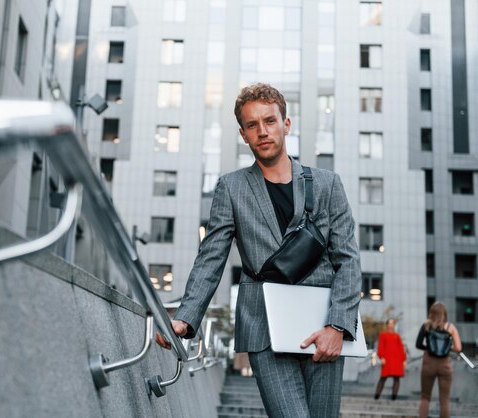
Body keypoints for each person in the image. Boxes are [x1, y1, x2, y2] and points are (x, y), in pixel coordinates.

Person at [155, 83, 362, 418]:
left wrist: (338, 326)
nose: (262, 131)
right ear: (243, 134)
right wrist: (185, 318)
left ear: (286, 124)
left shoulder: (327, 184)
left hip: (323, 324)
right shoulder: (231, 187)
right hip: (263, 325)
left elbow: (348, 259)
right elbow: (212, 256)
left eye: (269, 121)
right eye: (252, 125)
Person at [415, 302, 462, 418]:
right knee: (444, 399)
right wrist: (447, 348)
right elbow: (458, 348)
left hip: (428, 364)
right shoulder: (450, 327)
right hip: (445, 365)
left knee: (425, 397)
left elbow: (418, 344)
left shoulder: (426, 325)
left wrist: (430, 349)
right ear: (444, 314)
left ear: (431, 313)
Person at [374, 319, 406, 400]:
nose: (391, 325)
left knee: (397, 378)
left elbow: (401, 348)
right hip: (387, 359)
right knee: (383, 377)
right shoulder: (383, 335)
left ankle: (394, 397)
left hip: (397, 360)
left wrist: (404, 360)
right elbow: (380, 347)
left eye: (392, 324)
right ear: (387, 325)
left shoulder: (397, 336)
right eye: (390, 323)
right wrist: (381, 357)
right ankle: (377, 395)